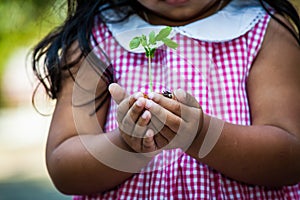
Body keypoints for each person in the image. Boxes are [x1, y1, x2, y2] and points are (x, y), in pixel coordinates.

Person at [31, 0, 300, 199]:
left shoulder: (264, 30)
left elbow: (290, 157)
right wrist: (127, 146)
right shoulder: (95, 37)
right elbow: (64, 165)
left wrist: (201, 135)